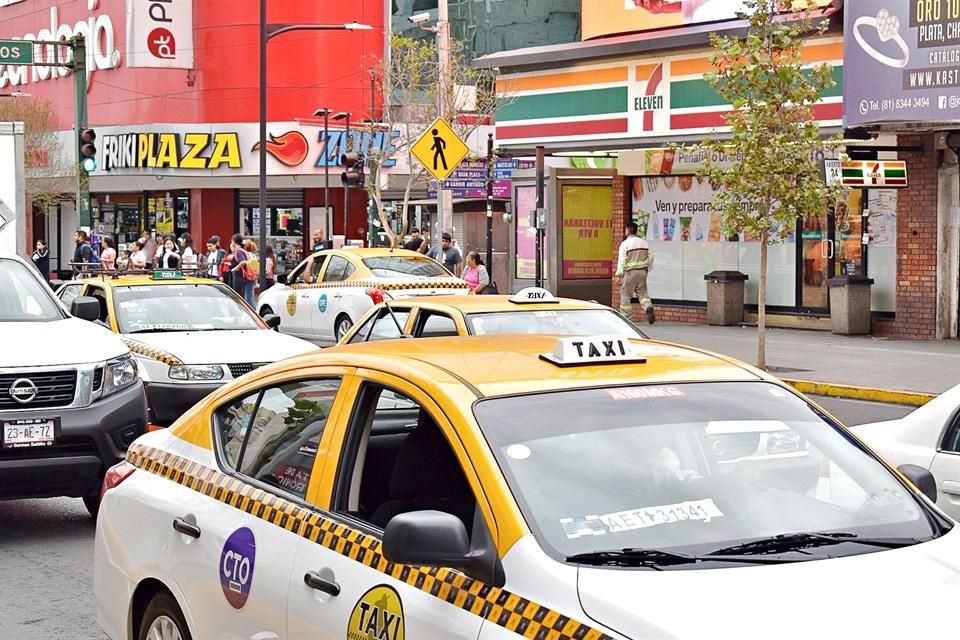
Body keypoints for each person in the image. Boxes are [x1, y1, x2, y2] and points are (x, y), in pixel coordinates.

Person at [615, 222, 655, 324]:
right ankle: (648, 307)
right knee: (643, 294)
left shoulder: (625, 244)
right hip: (642, 272)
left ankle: (626, 318)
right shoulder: (644, 243)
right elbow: (651, 256)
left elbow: (622, 260)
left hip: (630, 273)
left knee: (625, 295)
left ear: (627, 230)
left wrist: (619, 274)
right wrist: (647, 268)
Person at [228, 234, 255, 305]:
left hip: (240, 277)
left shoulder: (239, 251)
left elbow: (243, 262)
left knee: (240, 297)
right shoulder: (242, 250)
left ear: (234, 241)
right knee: (245, 297)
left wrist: (234, 269)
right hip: (243, 277)